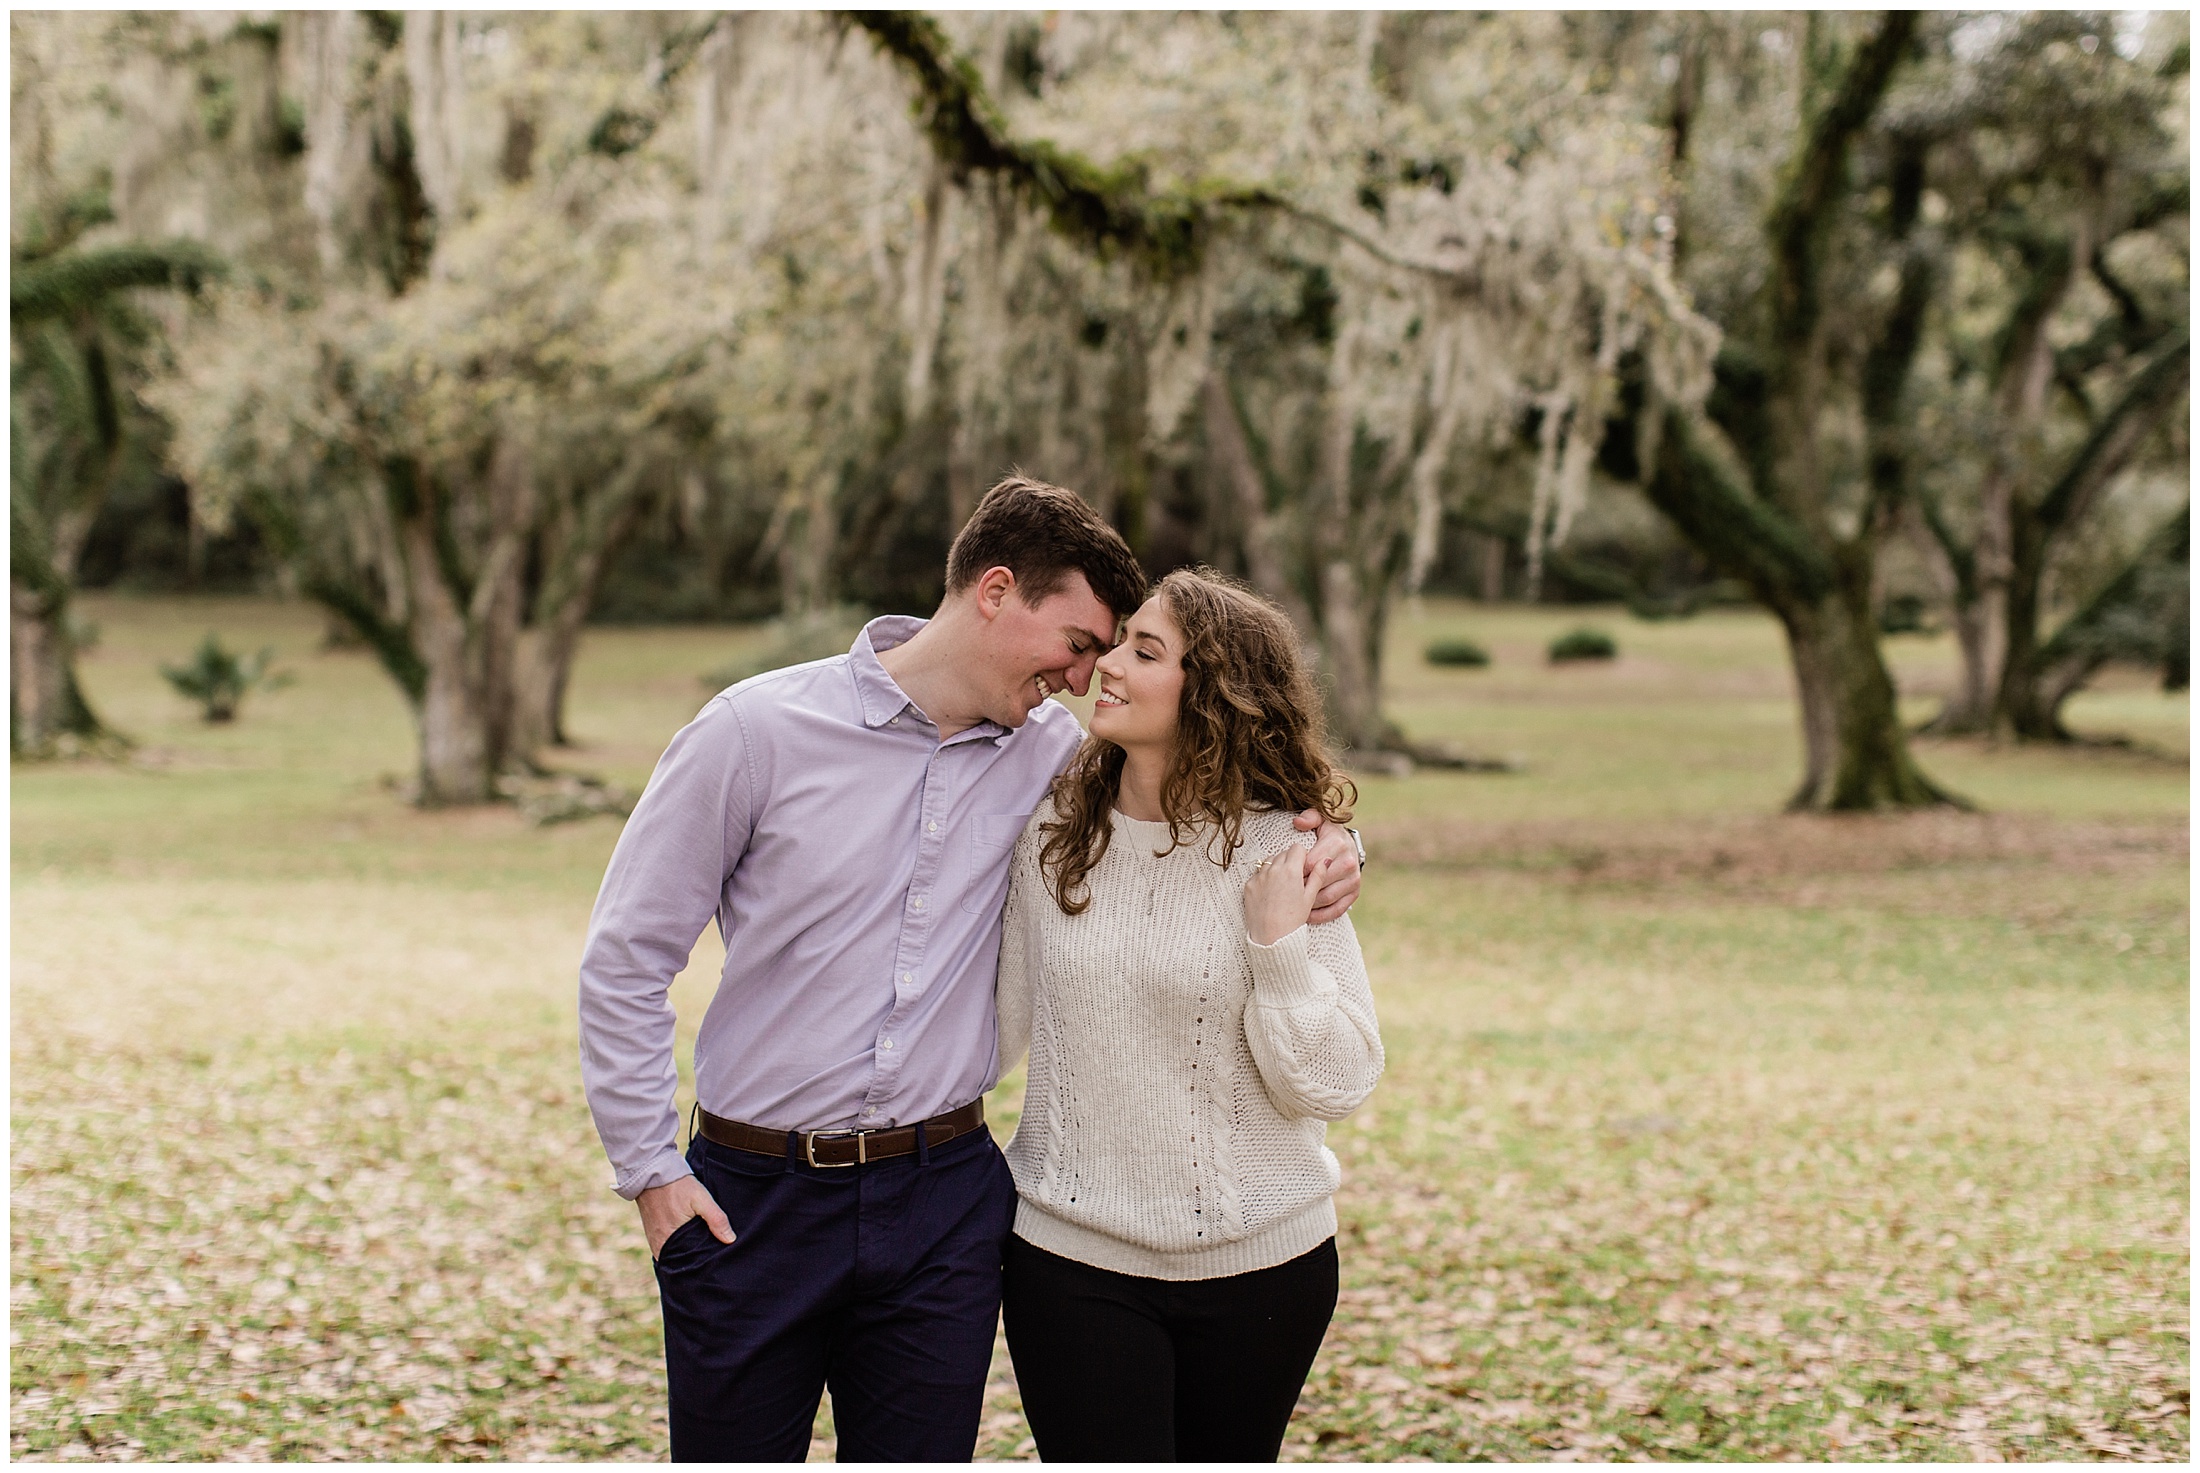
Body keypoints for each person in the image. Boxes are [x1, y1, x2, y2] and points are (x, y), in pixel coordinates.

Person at [576, 477, 1362, 1461]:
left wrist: (1334, 851)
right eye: (1079, 644)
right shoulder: (753, 733)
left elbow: (1212, 783)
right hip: (753, 1200)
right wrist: (649, 1170)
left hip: (942, 1204)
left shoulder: (1056, 763)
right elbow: (625, 958)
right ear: (995, 592)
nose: (1084, 678)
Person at [994, 567, 1384, 1462]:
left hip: (1266, 1269)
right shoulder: (1050, 827)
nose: (1109, 668)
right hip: (1071, 1260)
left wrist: (1278, 946)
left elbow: (1336, 1081)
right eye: (1119, 642)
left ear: (1211, 694)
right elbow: (993, 1030)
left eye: (1145, 650)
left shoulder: (1289, 852)